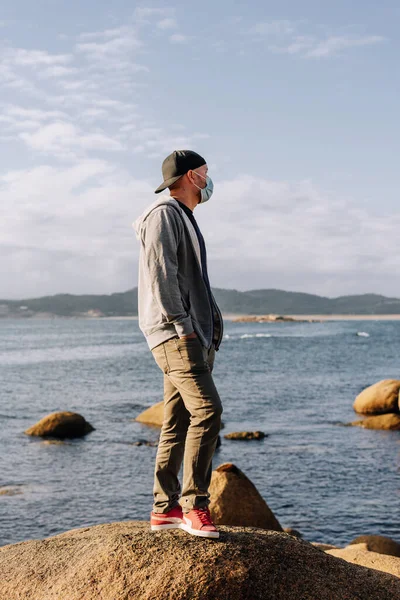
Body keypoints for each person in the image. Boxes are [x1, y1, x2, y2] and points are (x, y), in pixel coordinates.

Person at [134, 150, 224, 539]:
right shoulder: (163, 215)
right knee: (208, 410)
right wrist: (184, 326)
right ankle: (194, 506)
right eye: (205, 173)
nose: (209, 179)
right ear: (191, 176)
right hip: (176, 335)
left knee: (177, 420)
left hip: (191, 335)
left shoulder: (183, 217)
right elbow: (162, 275)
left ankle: (164, 508)